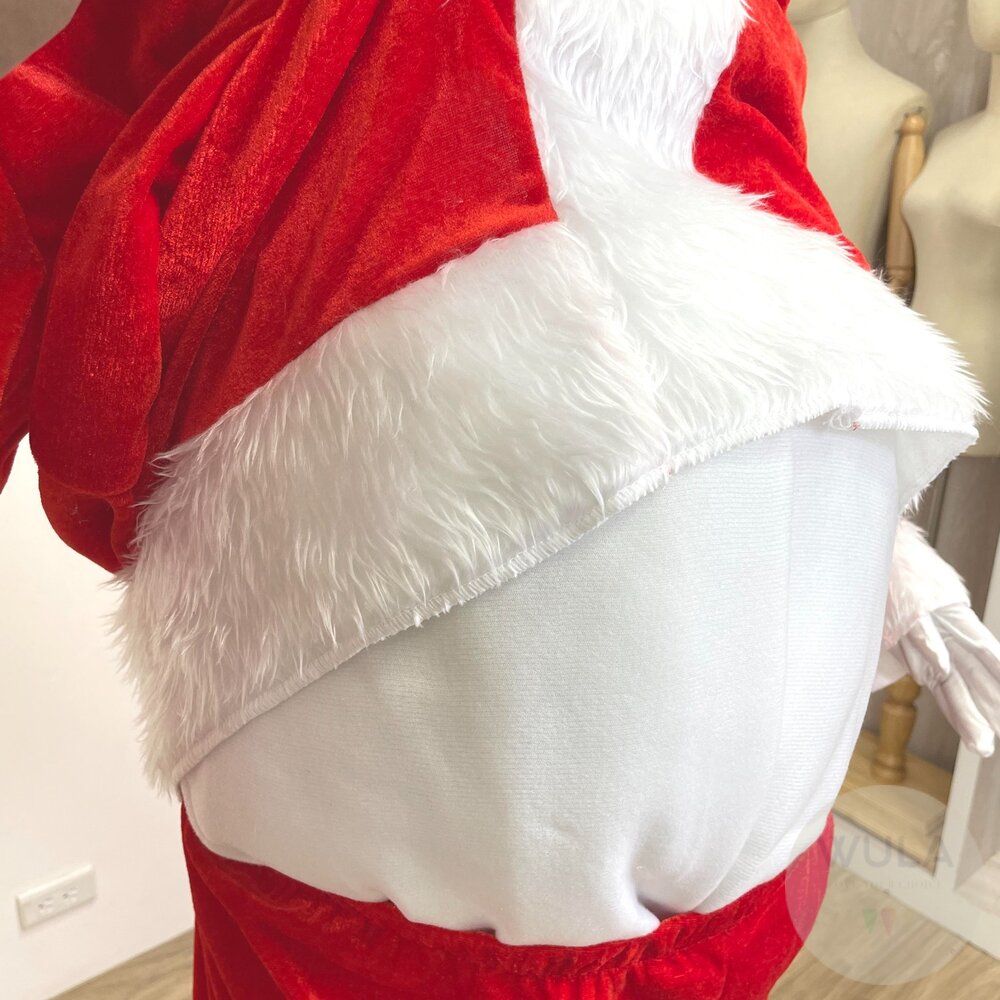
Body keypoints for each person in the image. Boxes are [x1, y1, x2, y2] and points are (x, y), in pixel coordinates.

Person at [2, 2, 997, 997]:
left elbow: (760, 238)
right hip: (364, 867)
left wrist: (883, 554)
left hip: (743, 918)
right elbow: (51, 146)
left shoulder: (736, 39)